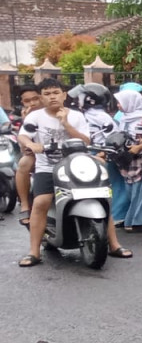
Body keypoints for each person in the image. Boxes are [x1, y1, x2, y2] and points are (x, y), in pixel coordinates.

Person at [17, 79, 94, 267]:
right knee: (41, 202)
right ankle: (34, 251)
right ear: (41, 97)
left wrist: (65, 123)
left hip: (75, 166)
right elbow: (23, 134)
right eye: (47, 93)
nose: (52, 96)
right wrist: (31, 144)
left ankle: (114, 244)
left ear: (64, 95)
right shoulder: (35, 117)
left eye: (56, 92)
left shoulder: (76, 116)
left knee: (100, 194)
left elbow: (86, 141)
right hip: (47, 167)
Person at [69, 83, 134, 259]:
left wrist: (102, 153)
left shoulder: (99, 117)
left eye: (80, 97)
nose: (75, 100)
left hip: (100, 156)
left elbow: (111, 139)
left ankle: (117, 218)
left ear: (90, 99)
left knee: (108, 190)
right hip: (90, 155)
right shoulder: (83, 115)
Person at [114, 90, 142, 228]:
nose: (118, 105)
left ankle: (141, 222)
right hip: (128, 161)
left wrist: (139, 147)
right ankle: (131, 219)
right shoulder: (124, 120)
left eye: (120, 102)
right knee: (131, 192)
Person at [12, 84, 41, 228]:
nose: (32, 103)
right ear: (22, 103)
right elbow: (24, 146)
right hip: (40, 157)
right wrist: (26, 120)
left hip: (64, 156)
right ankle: (24, 205)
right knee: (24, 163)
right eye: (27, 101)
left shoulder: (61, 112)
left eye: (35, 99)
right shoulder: (28, 118)